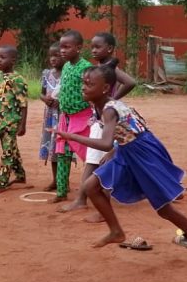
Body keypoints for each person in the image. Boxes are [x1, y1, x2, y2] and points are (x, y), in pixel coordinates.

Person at [55, 65, 187, 267]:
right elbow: (127, 129)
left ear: (105, 88)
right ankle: (116, 231)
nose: (83, 88)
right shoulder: (99, 106)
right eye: (83, 83)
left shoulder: (109, 109)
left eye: (89, 84)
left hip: (143, 153)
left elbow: (108, 141)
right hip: (126, 150)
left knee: (164, 210)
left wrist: (70, 136)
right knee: (90, 187)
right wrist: (115, 151)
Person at [83, 32, 137, 223]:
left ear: (110, 49)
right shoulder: (99, 68)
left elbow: (131, 82)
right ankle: (84, 197)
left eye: (98, 47)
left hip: (107, 119)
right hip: (100, 118)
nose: (94, 50)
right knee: (102, 160)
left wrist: (113, 100)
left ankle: (92, 202)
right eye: (92, 47)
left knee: (101, 161)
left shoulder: (108, 69)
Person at [53, 30, 93, 208]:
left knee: (91, 157)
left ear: (78, 48)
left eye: (66, 47)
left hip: (83, 119)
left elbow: (92, 92)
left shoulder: (86, 68)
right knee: (62, 154)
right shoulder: (67, 66)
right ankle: (61, 192)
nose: (62, 51)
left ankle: (96, 191)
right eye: (61, 47)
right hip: (66, 118)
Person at [0, 45, 29, 193]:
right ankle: (20, 175)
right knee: (11, 149)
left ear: (13, 60)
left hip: (11, 122)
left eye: (2, 58)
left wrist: (22, 125)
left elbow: (23, 104)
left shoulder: (18, 80)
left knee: (7, 152)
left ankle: (2, 183)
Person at [39, 42, 63, 190]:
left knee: (61, 148)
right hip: (49, 116)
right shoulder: (46, 74)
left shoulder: (68, 74)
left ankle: (62, 180)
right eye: (51, 56)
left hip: (62, 116)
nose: (53, 59)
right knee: (52, 148)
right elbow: (41, 92)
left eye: (57, 55)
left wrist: (61, 102)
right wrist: (44, 99)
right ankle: (55, 180)